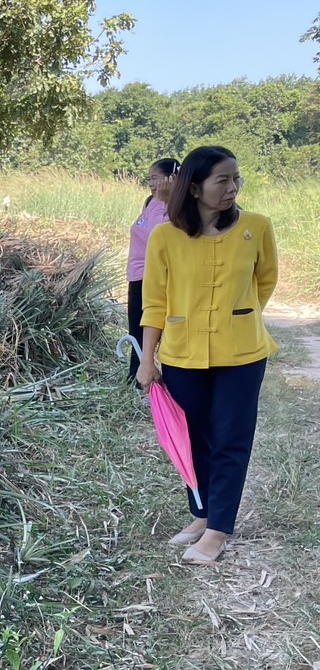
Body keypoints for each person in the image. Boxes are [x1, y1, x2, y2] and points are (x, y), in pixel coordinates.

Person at [135, 145, 279, 565]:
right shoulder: (166, 236)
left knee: (231, 440)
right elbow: (154, 301)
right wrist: (148, 358)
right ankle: (202, 514)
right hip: (182, 353)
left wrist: (239, 316)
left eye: (236, 179)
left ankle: (218, 529)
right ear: (195, 187)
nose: (232, 187)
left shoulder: (256, 227)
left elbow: (264, 282)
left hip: (243, 354)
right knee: (192, 436)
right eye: (222, 180)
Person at [125, 159, 179, 381]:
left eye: (155, 178)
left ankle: (159, 375)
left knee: (156, 329)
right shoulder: (150, 202)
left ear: (171, 179)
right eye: (149, 179)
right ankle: (136, 375)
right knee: (136, 329)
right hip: (137, 276)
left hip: (155, 277)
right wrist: (156, 200)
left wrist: (164, 200)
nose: (151, 184)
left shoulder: (174, 207)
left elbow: (157, 237)